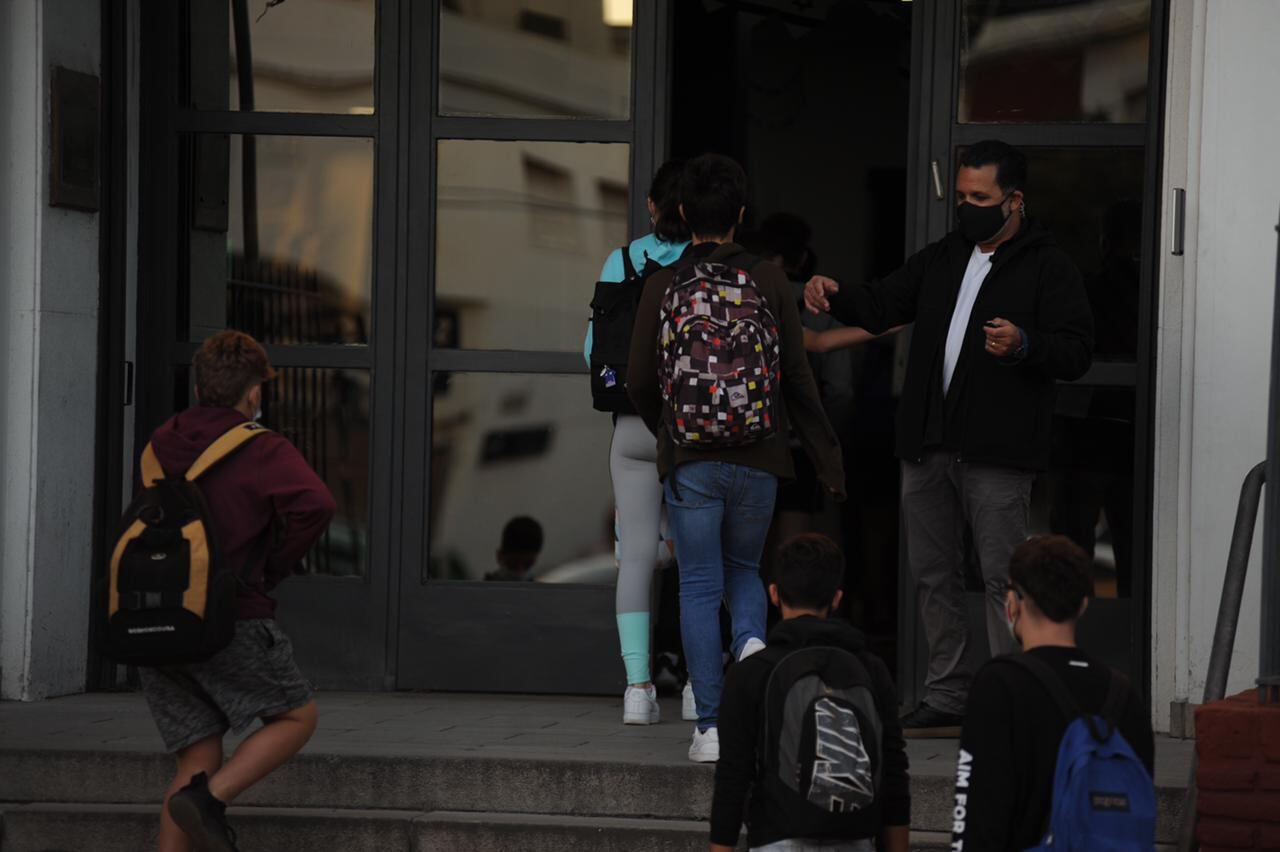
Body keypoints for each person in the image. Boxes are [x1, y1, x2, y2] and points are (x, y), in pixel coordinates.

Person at [804, 140, 1094, 736]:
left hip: (998, 448)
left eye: (980, 198)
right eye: (961, 197)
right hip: (927, 443)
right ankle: (950, 692)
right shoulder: (944, 256)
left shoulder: (1048, 266)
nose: (968, 207)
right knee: (932, 573)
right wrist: (834, 294)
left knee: (1000, 578)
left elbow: (1077, 351)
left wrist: (1025, 344)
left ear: (1015, 201)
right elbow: (884, 302)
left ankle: (1015, 692)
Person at [628, 153, 845, 762]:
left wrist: (671, 431)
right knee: (745, 571)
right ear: (741, 215)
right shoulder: (772, 282)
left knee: (698, 585)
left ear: (679, 214)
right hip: (760, 456)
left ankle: (711, 730)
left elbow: (641, 378)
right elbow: (798, 379)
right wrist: (826, 459)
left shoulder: (662, 284)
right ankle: (751, 640)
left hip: (692, 457)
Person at [138, 331, 335, 852]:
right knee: (296, 716)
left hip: (158, 620)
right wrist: (273, 566)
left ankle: (200, 796)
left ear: (201, 385)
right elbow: (316, 504)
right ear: (253, 394)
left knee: (195, 762)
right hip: (228, 616)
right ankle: (211, 801)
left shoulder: (160, 445)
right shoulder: (261, 445)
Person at [950, 535, 1155, 851]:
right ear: (1083, 604)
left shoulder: (1000, 686)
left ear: (1012, 604)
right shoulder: (1124, 695)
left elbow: (976, 819)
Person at [711, 534, 909, 852]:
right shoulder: (870, 668)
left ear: (773, 594)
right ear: (836, 599)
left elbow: (733, 776)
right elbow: (894, 772)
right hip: (856, 838)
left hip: (777, 836)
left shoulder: (750, 673)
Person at [586, 159, 693, 724]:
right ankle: (701, 686)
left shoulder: (621, 260)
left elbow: (590, 351)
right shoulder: (711, 264)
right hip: (696, 427)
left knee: (633, 558)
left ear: (652, 208)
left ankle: (636, 688)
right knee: (703, 553)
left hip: (631, 425)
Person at [485, 515, 543, 582]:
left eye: (528, 564)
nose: (520, 572)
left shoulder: (539, 590)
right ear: (499, 556)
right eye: (513, 564)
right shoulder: (479, 591)